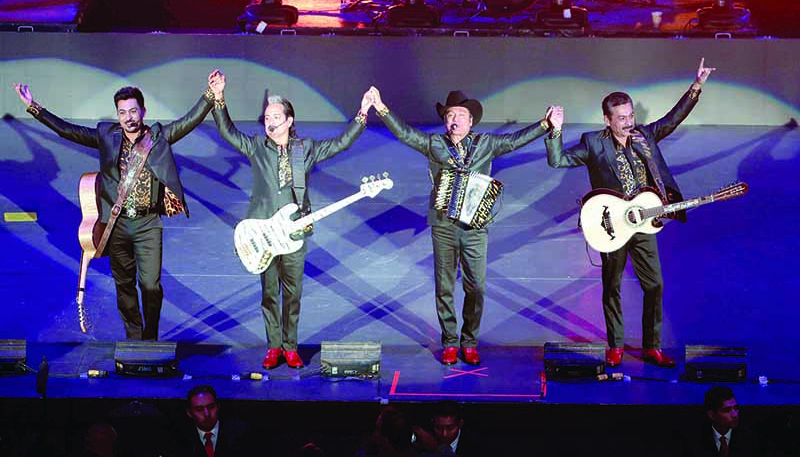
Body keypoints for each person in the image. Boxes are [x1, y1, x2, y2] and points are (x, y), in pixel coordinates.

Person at [13, 75, 218, 340]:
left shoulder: (158, 137)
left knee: (151, 286)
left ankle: (150, 337)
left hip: (148, 225)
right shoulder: (106, 136)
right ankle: (134, 337)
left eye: (133, 111)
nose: (128, 118)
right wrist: (34, 107)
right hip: (117, 224)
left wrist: (210, 94)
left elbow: (189, 121)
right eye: (122, 113)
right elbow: (67, 130)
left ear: (143, 111)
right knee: (124, 285)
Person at [544, 58, 715, 368]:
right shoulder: (593, 143)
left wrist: (697, 86)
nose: (628, 122)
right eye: (621, 117)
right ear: (607, 119)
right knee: (613, 286)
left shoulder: (644, 137)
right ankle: (615, 345)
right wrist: (554, 131)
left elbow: (673, 119)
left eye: (631, 115)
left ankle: (652, 346)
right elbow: (558, 161)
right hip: (612, 225)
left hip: (644, 223)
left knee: (655, 285)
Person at [368, 87, 552, 365]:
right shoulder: (435, 144)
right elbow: (405, 134)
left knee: (476, 286)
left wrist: (545, 124)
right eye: (450, 115)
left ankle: (470, 341)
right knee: (444, 286)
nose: (454, 120)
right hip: (443, 226)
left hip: (475, 228)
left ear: (471, 120)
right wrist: (382, 108)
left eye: (460, 115)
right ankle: (450, 342)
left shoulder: (486, 143)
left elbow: (515, 141)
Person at [211, 72, 371, 369]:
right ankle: (274, 347)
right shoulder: (257, 147)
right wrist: (219, 97)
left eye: (276, 117)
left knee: (293, 293)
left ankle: (291, 346)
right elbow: (227, 131)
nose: (270, 122)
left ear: (289, 121)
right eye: (266, 118)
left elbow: (340, 143)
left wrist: (362, 114)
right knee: (269, 292)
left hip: (295, 232)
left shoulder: (304, 149)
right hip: (263, 232)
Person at [680, 386, 760, 456]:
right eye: (727, 410)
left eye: (735, 408)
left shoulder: (749, 438)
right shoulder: (694, 440)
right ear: (711, 415)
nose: (735, 414)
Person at [179, 384, 252, 457]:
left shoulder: (239, 432)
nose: (207, 414)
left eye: (211, 407)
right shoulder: (181, 437)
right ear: (189, 413)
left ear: (218, 407)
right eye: (199, 409)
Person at [413, 400, 487, 457]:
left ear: (460, 424)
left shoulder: (478, 446)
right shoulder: (423, 444)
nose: (444, 434)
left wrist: (438, 447)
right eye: (439, 428)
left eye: (450, 428)